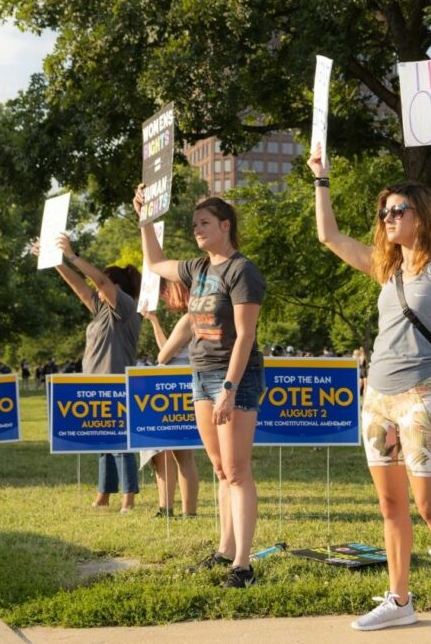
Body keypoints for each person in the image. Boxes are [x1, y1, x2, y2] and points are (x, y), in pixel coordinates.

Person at [308, 117, 431, 640]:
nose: (388, 217)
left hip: (421, 397)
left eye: (398, 210)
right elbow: (328, 236)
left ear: (420, 216)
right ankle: (400, 598)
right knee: (391, 506)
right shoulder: (384, 271)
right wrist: (321, 177)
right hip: (378, 399)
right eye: (384, 211)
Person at [136, 189, 266, 590]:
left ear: (225, 226)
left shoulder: (242, 271)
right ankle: (225, 550)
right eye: (194, 225)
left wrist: (229, 387)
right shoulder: (198, 269)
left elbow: (245, 336)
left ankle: (243, 566)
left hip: (233, 378)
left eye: (204, 223)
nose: (197, 230)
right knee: (221, 469)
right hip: (200, 374)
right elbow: (156, 262)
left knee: (238, 471)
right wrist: (144, 219)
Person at [36, 233, 142, 514]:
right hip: (95, 383)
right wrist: (55, 261)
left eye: (104, 285)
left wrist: (72, 255)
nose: (97, 290)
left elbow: (100, 282)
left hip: (116, 383)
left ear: (117, 287)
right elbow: (80, 287)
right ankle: (104, 494)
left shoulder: (126, 307)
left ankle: (128, 498)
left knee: (120, 443)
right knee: (103, 442)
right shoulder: (101, 311)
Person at [142, 279, 200, 518]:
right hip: (189, 387)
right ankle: (189, 512)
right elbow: (170, 350)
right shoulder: (203, 317)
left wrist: (154, 322)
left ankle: (168, 508)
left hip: (174, 389)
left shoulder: (189, 318)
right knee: (184, 454)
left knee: (169, 453)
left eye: (166, 292)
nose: (164, 297)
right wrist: (155, 321)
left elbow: (164, 355)